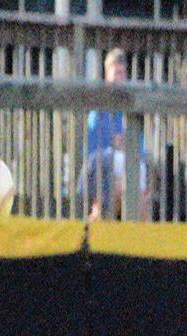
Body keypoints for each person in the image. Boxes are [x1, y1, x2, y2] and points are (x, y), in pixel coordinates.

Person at [80, 48, 148, 222]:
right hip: (105, 175)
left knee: (138, 187)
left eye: (123, 73)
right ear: (107, 75)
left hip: (129, 172)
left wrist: (126, 146)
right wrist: (113, 145)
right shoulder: (98, 113)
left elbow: (140, 150)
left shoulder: (130, 110)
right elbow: (92, 156)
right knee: (118, 191)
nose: (120, 77)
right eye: (116, 72)